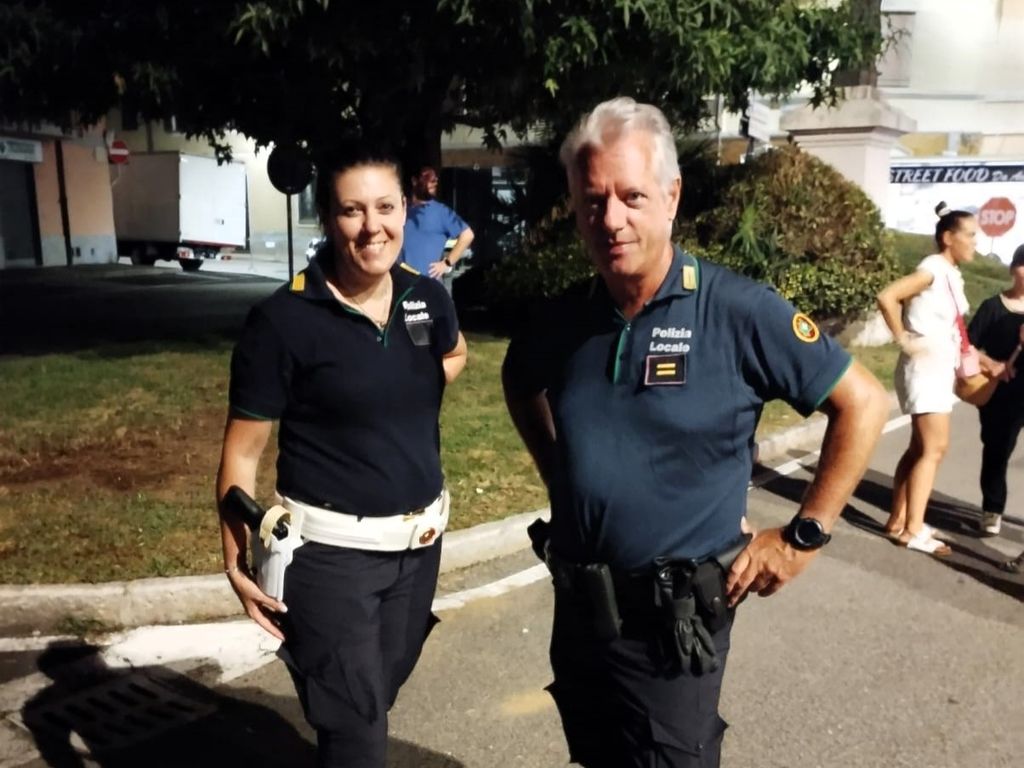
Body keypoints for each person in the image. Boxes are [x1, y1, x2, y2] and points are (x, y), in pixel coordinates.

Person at [502, 97, 889, 768]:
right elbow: (517, 378)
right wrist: (560, 476)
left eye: (632, 196)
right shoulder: (562, 319)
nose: (611, 219)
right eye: (593, 201)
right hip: (582, 612)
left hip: (674, 628)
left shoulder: (738, 311)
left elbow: (864, 402)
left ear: (671, 197)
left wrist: (803, 536)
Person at [215, 141, 467, 768]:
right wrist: (234, 560)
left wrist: (397, 391)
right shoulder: (283, 321)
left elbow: (454, 352)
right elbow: (242, 454)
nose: (371, 226)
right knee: (357, 730)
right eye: (352, 210)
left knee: (377, 693)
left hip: (418, 551)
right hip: (328, 560)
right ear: (328, 218)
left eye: (385, 207)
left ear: (405, 208)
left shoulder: (427, 297)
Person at [876, 202, 978, 555]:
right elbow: (888, 296)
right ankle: (913, 530)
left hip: (935, 369)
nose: (975, 242)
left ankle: (899, 520)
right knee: (934, 449)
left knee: (920, 448)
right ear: (948, 238)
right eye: (970, 235)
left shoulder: (946, 272)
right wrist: (904, 338)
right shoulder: (932, 269)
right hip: (925, 370)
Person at [967, 243, 1024, 536]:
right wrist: (992, 365)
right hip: (1000, 394)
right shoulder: (993, 307)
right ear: (1013, 269)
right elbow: (967, 346)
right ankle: (992, 508)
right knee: (997, 452)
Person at [401, 164, 474, 292]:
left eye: (435, 179)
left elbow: (467, 235)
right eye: (428, 178)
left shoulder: (441, 212)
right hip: (399, 286)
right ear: (414, 181)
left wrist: (446, 263)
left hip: (428, 288)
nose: (434, 182)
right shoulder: (401, 208)